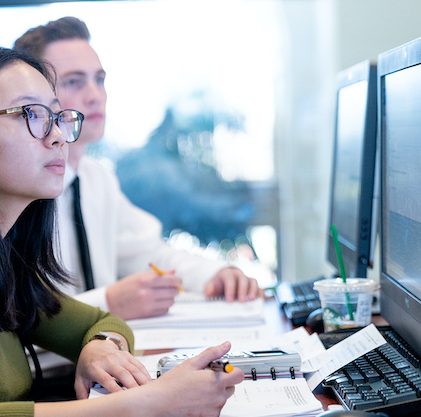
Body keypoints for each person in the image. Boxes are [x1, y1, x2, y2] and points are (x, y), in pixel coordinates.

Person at [0, 47, 244, 417]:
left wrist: (100, 346)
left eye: (57, 117)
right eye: (30, 115)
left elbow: (101, 323)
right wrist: (149, 406)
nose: (59, 136)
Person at [14, 17, 260, 320]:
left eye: (99, 80)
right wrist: (109, 304)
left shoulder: (95, 178)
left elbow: (151, 255)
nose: (95, 95)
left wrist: (216, 273)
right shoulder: (17, 192)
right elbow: (18, 323)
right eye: (74, 81)